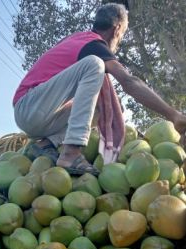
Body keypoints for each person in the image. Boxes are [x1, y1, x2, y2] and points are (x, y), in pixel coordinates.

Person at [12, 3, 186, 176]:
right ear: (117, 30)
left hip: (39, 116)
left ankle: (45, 144)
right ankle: (71, 152)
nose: (119, 42)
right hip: (28, 106)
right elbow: (129, 82)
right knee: (95, 64)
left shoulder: (78, 40)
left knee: (106, 107)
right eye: (122, 35)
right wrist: (174, 115)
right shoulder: (91, 44)